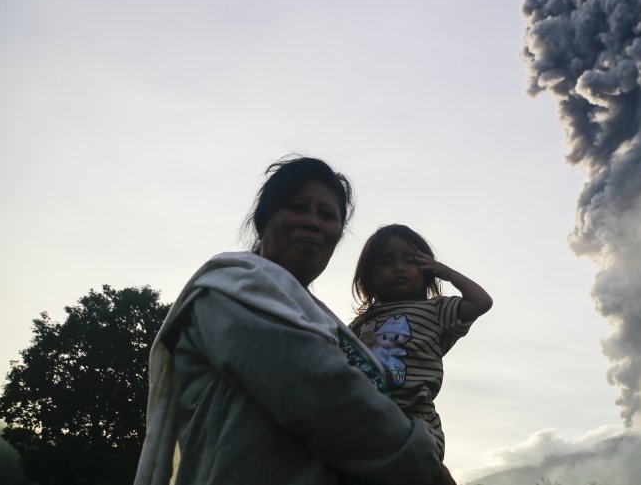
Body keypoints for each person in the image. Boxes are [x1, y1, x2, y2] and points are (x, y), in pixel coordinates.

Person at [134, 157, 454, 485]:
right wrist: (428, 468)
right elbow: (326, 397)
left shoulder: (326, 322)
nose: (312, 223)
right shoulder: (229, 290)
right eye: (298, 207)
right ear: (264, 219)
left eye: (327, 215)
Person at [350, 224, 493, 460]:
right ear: (369, 277)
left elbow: (481, 301)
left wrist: (446, 272)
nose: (399, 268)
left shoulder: (436, 310)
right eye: (386, 262)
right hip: (366, 417)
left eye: (410, 260)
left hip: (416, 418)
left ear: (427, 270)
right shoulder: (359, 324)